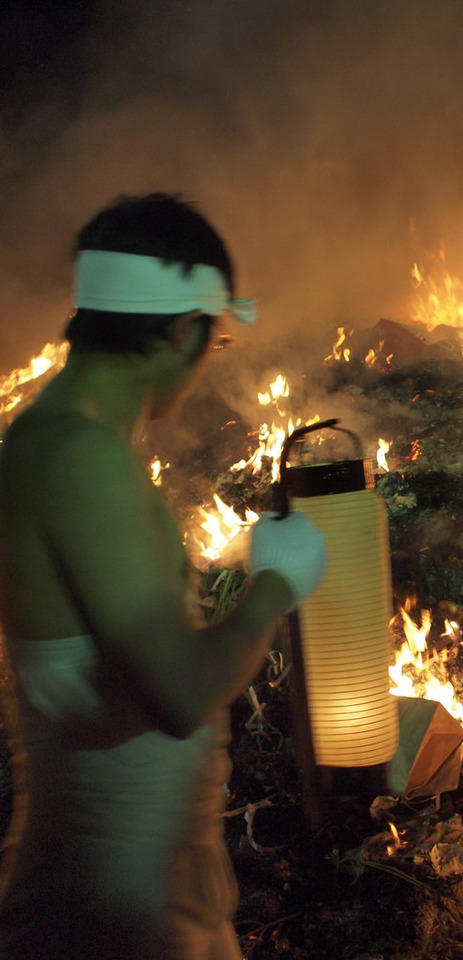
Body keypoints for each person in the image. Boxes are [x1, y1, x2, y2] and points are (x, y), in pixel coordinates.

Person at [0, 194, 328, 959]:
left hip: (145, 891)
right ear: (180, 331)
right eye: (214, 341)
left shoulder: (55, 444)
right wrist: (275, 585)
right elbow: (180, 693)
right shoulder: (81, 459)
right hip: (112, 913)